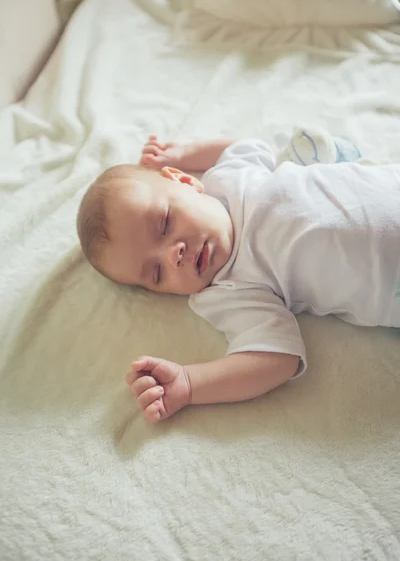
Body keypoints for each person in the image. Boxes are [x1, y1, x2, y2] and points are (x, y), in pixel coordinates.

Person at [76, 132, 400, 423]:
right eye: (157, 273)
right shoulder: (227, 292)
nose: (173, 255)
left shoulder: (230, 177)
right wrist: (190, 383)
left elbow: (242, 143)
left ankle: (324, 156)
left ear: (185, 182)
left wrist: (184, 152)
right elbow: (275, 357)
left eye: (164, 223)